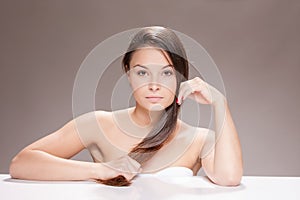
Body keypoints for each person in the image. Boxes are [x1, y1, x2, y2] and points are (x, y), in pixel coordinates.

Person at [9, 26, 243, 186]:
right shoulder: (98, 124)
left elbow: (230, 178)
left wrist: (220, 103)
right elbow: (21, 163)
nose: (154, 85)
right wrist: (100, 170)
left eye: (166, 73)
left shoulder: (199, 139)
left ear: (180, 78)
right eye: (142, 72)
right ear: (128, 75)